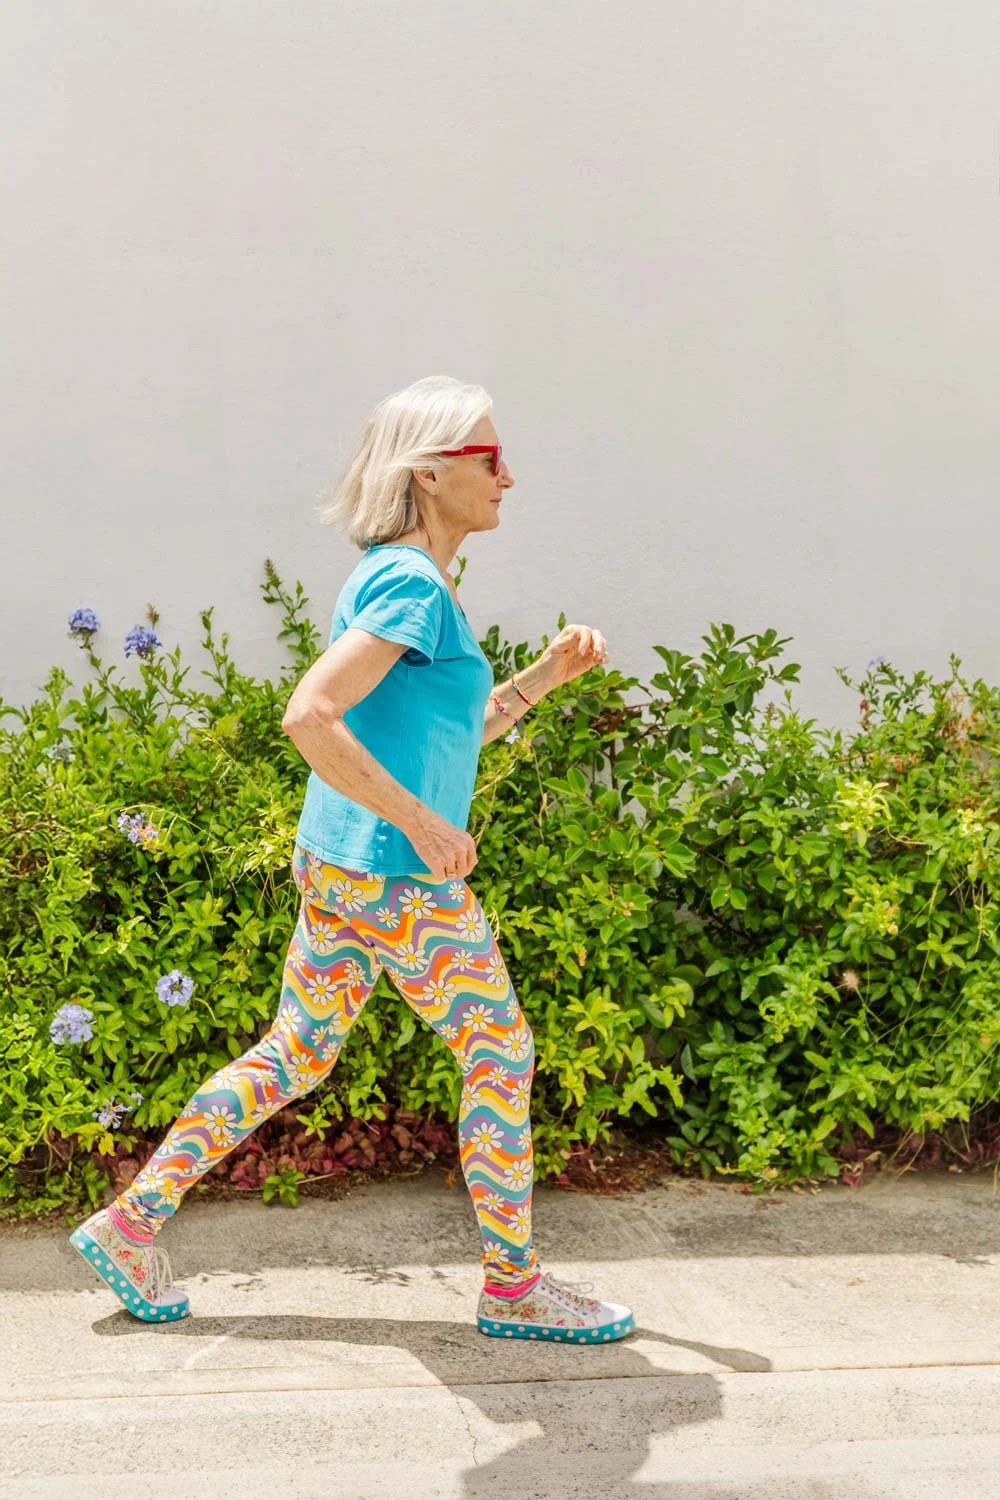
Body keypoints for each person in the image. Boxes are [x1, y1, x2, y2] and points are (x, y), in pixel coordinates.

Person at [70, 375, 636, 1345]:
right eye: (490, 457)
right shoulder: (409, 583)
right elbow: (310, 715)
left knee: (295, 1052)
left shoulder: (407, 582)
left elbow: (451, 731)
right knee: (501, 1054)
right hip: (394, 877)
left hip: (342, 868)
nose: (510, 475)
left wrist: (545, 676)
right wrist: (421, 826)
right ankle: (512, 1289)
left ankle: (131, 1222)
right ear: (430, 473)